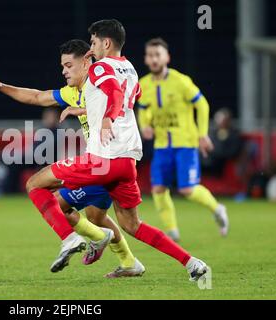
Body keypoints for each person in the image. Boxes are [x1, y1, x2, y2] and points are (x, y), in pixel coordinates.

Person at [25, 19, 209, 281]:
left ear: (106, 43)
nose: (91, 48)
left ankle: (68, 239)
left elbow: (112, 92)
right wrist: (89, 110)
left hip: (103, 158)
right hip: (127, 161)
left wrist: (107, 117)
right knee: (132, 224)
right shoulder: (131, 69)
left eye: (93, 42)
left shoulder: (100, 67)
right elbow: (129, 98)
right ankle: (192, 263)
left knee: (35, 184)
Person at [0, 39, 143, 278]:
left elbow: (119, 100)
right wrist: (1, 86)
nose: (64, 71)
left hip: (107, 160)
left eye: (68, 65)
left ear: (86, 61)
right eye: (62, 67)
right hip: (101, 162)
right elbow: (37, 97)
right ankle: (126, 260)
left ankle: (77, 240)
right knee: (96, 217)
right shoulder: (72, 92)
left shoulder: (100, 82)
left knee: (55, 202)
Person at [137, 38, 229, 242]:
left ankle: (217, 208)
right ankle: (172, 231)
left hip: (185, 144)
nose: (153, 59)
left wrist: (202, 133)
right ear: (146, 59)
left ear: (166, 57)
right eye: (150, 55)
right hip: (162, 146)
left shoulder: (181, 81)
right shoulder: (143, 85)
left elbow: (202, 104)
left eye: (157, 55)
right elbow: (142, 110)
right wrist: (144, 125)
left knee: (187, 189)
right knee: (158, 188)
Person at [202, 108, 243, 176]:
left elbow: (232, 152)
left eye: (222, 120)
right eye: (218, 119)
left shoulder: (233, 134)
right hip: (207, 160)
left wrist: (212, 150)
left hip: (219, 163)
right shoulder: (212, 132)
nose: (219, 122)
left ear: (228, 120)